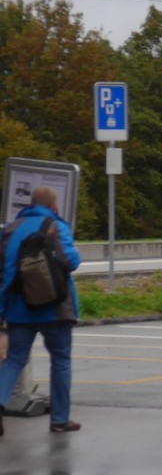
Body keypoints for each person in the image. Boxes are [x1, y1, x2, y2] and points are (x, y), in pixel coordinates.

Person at [0, 186, 83, 435]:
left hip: (18, 308)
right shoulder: (56, 226)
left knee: (15, 358)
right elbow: (72, 262)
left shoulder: (10, 229)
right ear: (53, 206)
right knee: (60, 360)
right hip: (55, 309)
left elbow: (4, 272)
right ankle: (59, 420)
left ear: (29, 204)